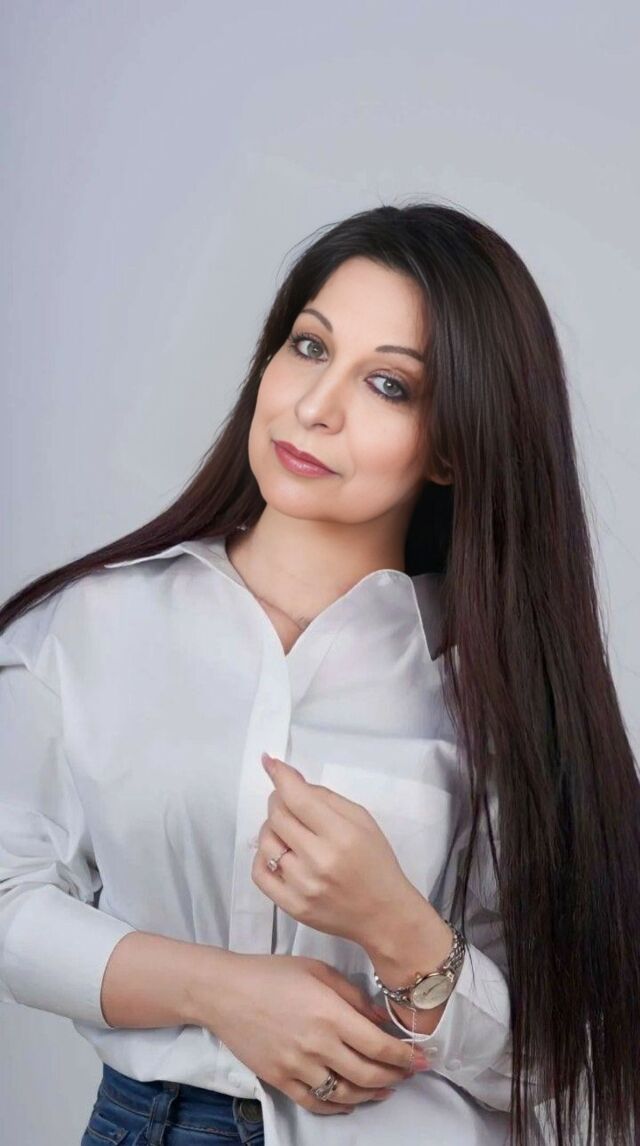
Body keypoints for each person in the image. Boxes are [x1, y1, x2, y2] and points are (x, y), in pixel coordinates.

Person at [0, 203, 638, 1146]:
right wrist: (221, 992)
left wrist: (399, 927)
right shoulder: (92, 625)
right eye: (309, 347)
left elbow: (570, 1056)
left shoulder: (501, 689)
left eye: (388, 384)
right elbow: (10, 895)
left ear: (454, 445)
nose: (315, 406)